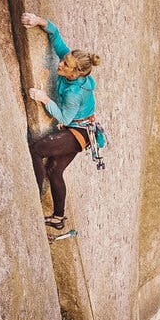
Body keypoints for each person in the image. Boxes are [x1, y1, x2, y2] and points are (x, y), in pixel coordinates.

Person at [22, 12, 101, 230]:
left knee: (37, 150)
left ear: (75, 74)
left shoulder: (74, 92)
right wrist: (39, 21)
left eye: (65, 65)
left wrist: (44, 99)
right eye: (64, 61)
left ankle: (33, 199)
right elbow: (56, 36)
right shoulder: (72, 64)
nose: (61, 65)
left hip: (78, 133)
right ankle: (58, 218)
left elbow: (65, 117)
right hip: (81, 130)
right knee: (54, 171)